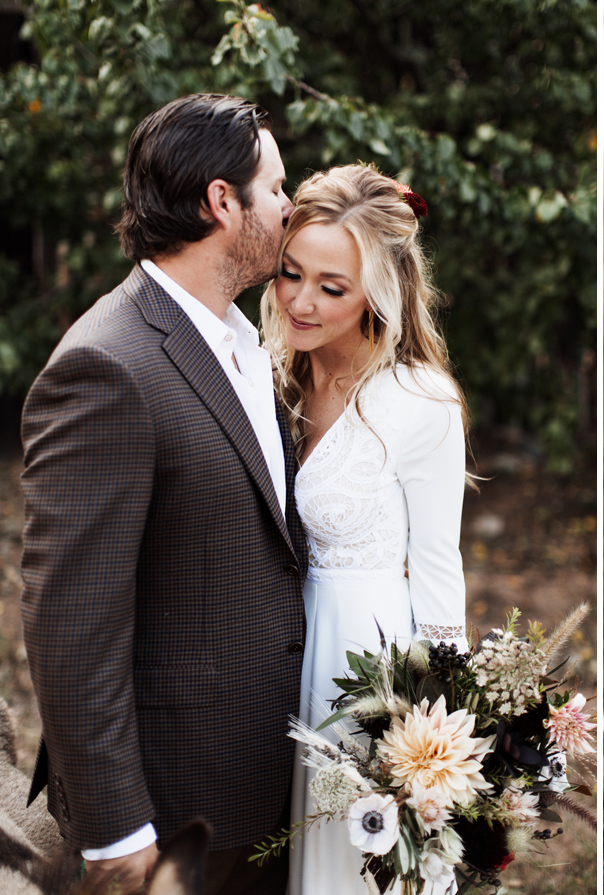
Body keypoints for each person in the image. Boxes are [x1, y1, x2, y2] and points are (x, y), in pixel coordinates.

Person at [20, 93, 305, 895]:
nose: (288, 207)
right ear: (223, 201)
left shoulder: (242, 340)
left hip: (271, 784)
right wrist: (118, 830)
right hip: (180, 817)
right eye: (277, 188)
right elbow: (70, 620)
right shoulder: (107, 366)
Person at [261, 165, 468, 894]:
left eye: (331, 287)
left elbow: (441, 570)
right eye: (291, 274)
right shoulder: (269, 378)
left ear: (377, 293)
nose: (301, 300)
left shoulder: (419, 401)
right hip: (278, 652)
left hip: (368, 666)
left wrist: (443, 739)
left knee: (357, 860)